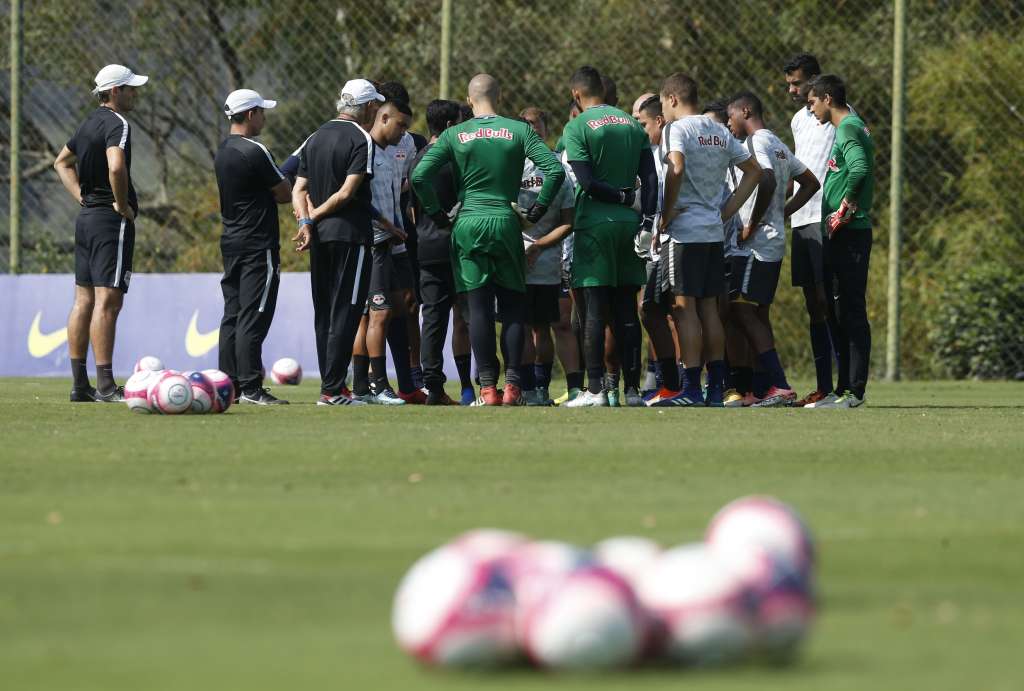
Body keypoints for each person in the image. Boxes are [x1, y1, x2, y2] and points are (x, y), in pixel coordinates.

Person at [411, 74, 565, 406]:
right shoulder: (519, 130)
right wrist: (535, 211)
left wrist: (439, 215)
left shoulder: (455, 134)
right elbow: (555, 170)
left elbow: (419, 175)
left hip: (468, 223)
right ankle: (513, 387)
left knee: (477, 308)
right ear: (501, 94)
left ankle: (486, 389)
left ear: (469, 101)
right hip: (507, 222)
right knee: (512, 306)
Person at [652, 72, 762, 407]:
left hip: (684, 233)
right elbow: (754, 171)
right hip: (713, 234)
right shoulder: (717, 129)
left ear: (672, 99)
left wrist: (666, 215)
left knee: (684, 310)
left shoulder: (676, 129)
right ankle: (715, 389)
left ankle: (690, 389)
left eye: (663, 105)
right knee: (710, 311)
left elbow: (676, 168)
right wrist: (725, 211)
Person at [561, 66, 658, 408]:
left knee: (595, 312)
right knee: (627, 312)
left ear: (577, 94)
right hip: (630, 227)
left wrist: (617, 196)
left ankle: (596, 390)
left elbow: (586, 182)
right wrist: (646, 221)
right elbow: (651, 178)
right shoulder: (632, 124)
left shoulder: (576, 126)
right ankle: (631, 391)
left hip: (595, 227)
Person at [53, 64, 148, 402]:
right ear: (114, 92)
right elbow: (116, 165)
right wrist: (121, 205)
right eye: (130, 88)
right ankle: (106, 386)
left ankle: (81, 385)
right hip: (110, 221)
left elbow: (61, 162)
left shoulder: (89, 121)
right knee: (107, 302)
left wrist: (81, 196)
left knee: (83, 300)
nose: (135, 93)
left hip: (87, 218)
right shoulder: (117, 124)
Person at [292, 78, 384, 406]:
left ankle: (332, 387)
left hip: (320, 239)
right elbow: (346, 193)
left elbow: (298, 189)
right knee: (346, 311)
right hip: (350, 236)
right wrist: (313, 218)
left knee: (325, 312)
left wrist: (306, 222)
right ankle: (332, 390)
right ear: (369, 107)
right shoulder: (362, 138)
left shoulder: (315, 137)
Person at [726, 91, 820, 407]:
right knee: (757, 313)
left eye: (731, 116)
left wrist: (753, 222)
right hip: (774, 240)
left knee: (740, 308)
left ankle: (779, 384)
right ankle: (765, 387)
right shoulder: (778, 143)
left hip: (756, 244)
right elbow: (809, 182)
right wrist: (782, 212)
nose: (729, 123)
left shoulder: (756, 143)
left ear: (746, 111)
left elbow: (765, 180)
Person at [214, 89, 292, 404]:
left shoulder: (223, 149)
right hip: (258, 243)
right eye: (261, 111)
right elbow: (284, 192)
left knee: (232, 313)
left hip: (231, 241)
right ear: (250, 115)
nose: (264, 117)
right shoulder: (255, 150)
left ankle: (227, 385)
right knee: (253, 314)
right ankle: (250, 387)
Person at [805, 74, 875, 408]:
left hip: (850, 232)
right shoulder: (852, 127)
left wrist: (844, 207)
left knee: (850, 309)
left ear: (827, 98)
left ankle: (855, 391)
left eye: (812, 102)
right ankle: (842, 388)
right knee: (836, 311)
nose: (811, 109)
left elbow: (859, 169)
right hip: (840, 233)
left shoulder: (848, 127)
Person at [784, 53, 840, 407]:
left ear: (816, 82)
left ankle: (845, 383)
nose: (792, 90)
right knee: (812, 304)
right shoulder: (798, 120)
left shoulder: (836, 117)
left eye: (798, 83)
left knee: (831, 300)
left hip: (826, 219)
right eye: (789, 84)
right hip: (801, 220)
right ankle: (823, 386)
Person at [350, 99, 413, 405]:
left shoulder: (388, 155)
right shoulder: (365, 151)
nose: (404, 132)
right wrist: (386, 225)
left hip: (391, 242)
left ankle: (361, 386)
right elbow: (357, 197)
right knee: (379, 312)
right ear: (383, 117)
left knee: (376, 315)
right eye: (400, 125)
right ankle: (377, 384)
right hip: (374, 241)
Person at [412, 100, 472, 405]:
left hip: (426, 247)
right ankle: (476, 385)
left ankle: (433, 387)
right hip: (459, 246)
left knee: (433, 319)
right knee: (468, 316)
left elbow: (408, 208)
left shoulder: (416, 158)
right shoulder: (456, 159)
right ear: (450, 126)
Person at [518, 106, 576, 406]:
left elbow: (569, 220)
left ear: (545, 128)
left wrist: (538, 245)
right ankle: (528, 388)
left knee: (555, 324)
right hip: (517, 260)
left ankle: (555, 387)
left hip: (551, 260)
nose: (532, 131)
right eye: (525, 126)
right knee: (525, 325)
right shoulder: (511, 166)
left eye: (536, 125)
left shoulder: (559, 169)